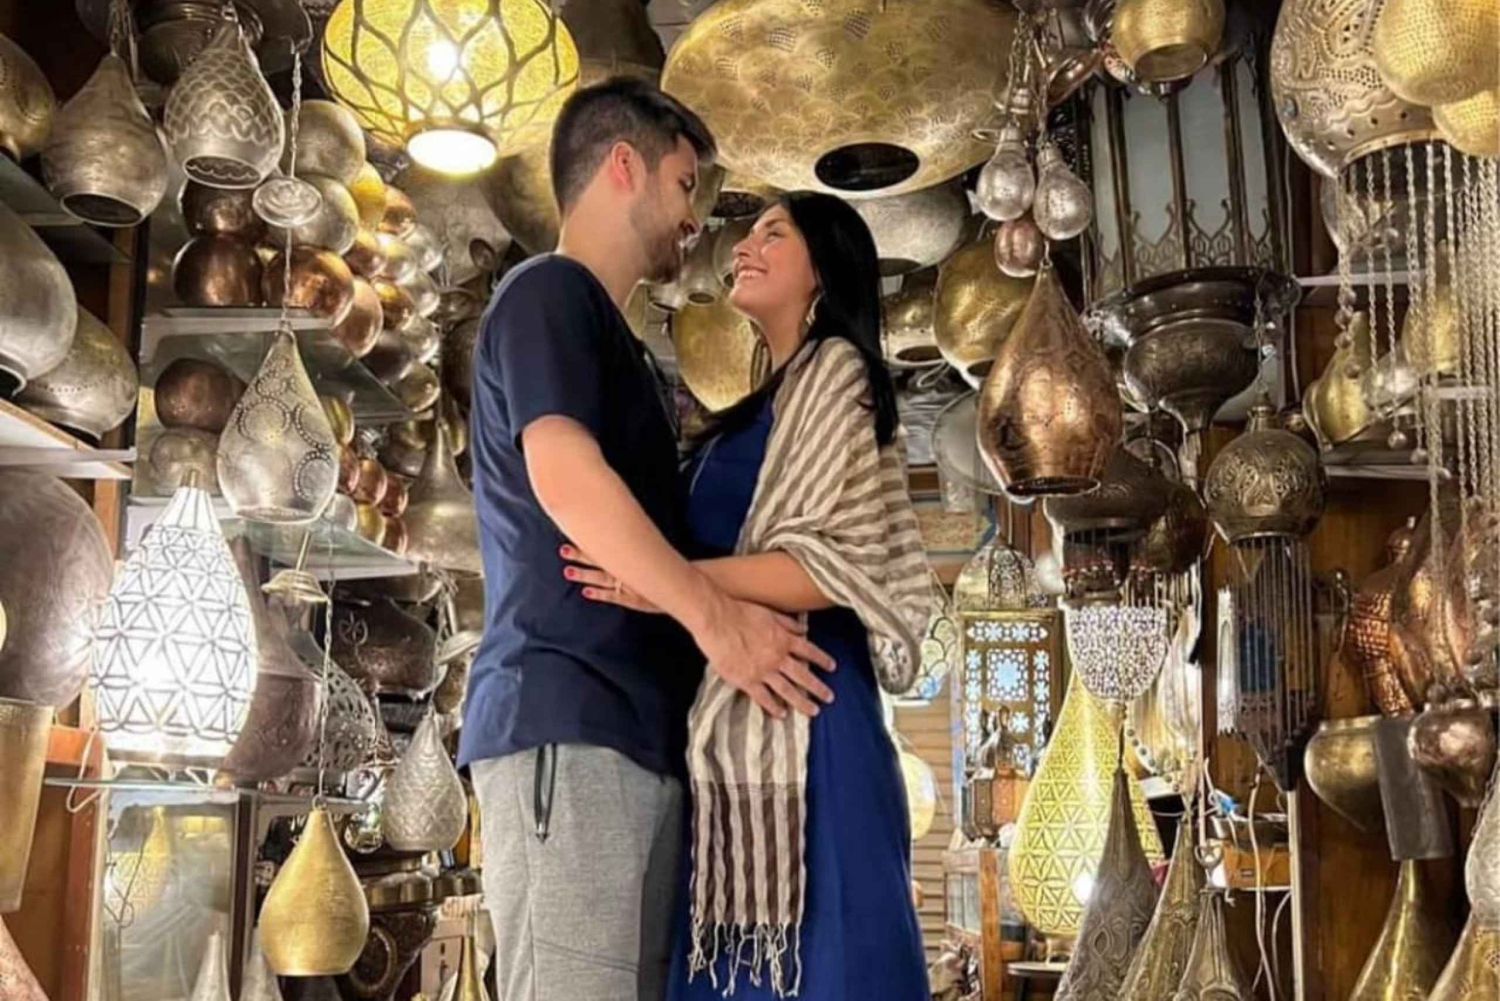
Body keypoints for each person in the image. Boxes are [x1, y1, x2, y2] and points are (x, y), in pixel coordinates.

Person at [459, 78, 836, 1001]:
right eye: (683, 183)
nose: (692, 217)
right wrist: (716, 618)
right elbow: (563, 474)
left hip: (633, 737)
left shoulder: (625, 348)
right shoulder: (548, 291)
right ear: (623, 166)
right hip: (567, 715)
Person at [564, 193, 935, 1000]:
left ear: (823, 271)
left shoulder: (836, 373)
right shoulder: (758, 405)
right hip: (740, 719)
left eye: (774, 234)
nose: (744, 247)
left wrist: (665, 582)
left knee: (831, 969)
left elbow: (835, 568)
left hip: (813, 713)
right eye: (748, 233)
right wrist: (669, 582)